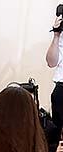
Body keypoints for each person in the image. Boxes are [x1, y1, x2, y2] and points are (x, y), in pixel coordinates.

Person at [47, 8, 63, 138]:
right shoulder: (61, 36)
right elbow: (51, 62)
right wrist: (56, 34)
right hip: (61, 88)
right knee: (58, 133)